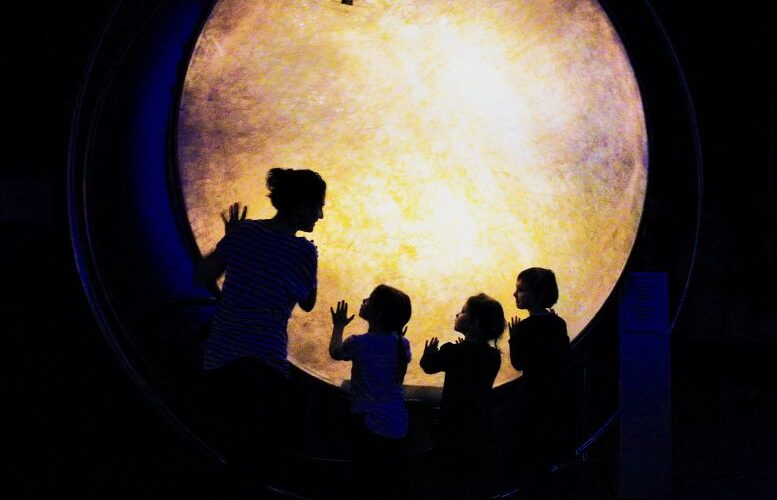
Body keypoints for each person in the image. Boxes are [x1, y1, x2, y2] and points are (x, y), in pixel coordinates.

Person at [193, 167, 325, 468]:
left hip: (219, 359)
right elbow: (308, 302)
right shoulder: (302, 252)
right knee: (258, 452)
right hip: (265, 361)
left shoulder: (244, 233)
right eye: (318, 207)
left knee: (219, 442)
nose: (320, 215)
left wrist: (230, 241)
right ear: (300, 207)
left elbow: (202, 276)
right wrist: (308, 263)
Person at [329, 285, 412, 500]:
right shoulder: (402, 344)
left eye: (370, 299)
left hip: (368, 423)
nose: (364, 300)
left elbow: (336, 352)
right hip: (397, 424)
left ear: (379, 313)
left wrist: (338, 325)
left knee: (363, 479)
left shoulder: (359, 343)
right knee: (384, 482)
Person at [420, 293, 505, 500]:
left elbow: (428, 366)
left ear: (475, 323)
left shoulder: (452, 351)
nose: (457, 314)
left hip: (452, 425)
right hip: (480, 425)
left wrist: (428, 353)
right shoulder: (493, 356)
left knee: (449, 477)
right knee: (473, 478)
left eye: (463, 312)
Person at [508, 267, 575, 496]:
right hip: (555, 397)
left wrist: (513, 338)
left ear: (537, 294)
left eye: (521, 290)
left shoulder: (525, 327)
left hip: (532, 398)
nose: (515, 294)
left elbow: (518, 363)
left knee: (531, 456)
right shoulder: (558, 323)